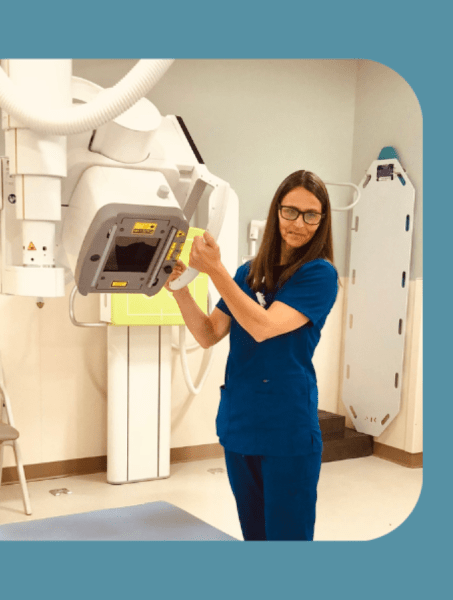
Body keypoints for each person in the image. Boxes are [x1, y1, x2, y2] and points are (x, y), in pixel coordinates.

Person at [165, 169, 339, 541]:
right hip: (241, 422)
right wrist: (178, 289)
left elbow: (263, 326)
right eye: (290, 211)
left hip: (287, 426)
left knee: (287, 538)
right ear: (276, 210)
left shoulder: (319, 275)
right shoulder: (249, 272)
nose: (299, 223)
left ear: (322, 221)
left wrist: (215, 271)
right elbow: (209, 333)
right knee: (255, 535)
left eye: (311, 215)